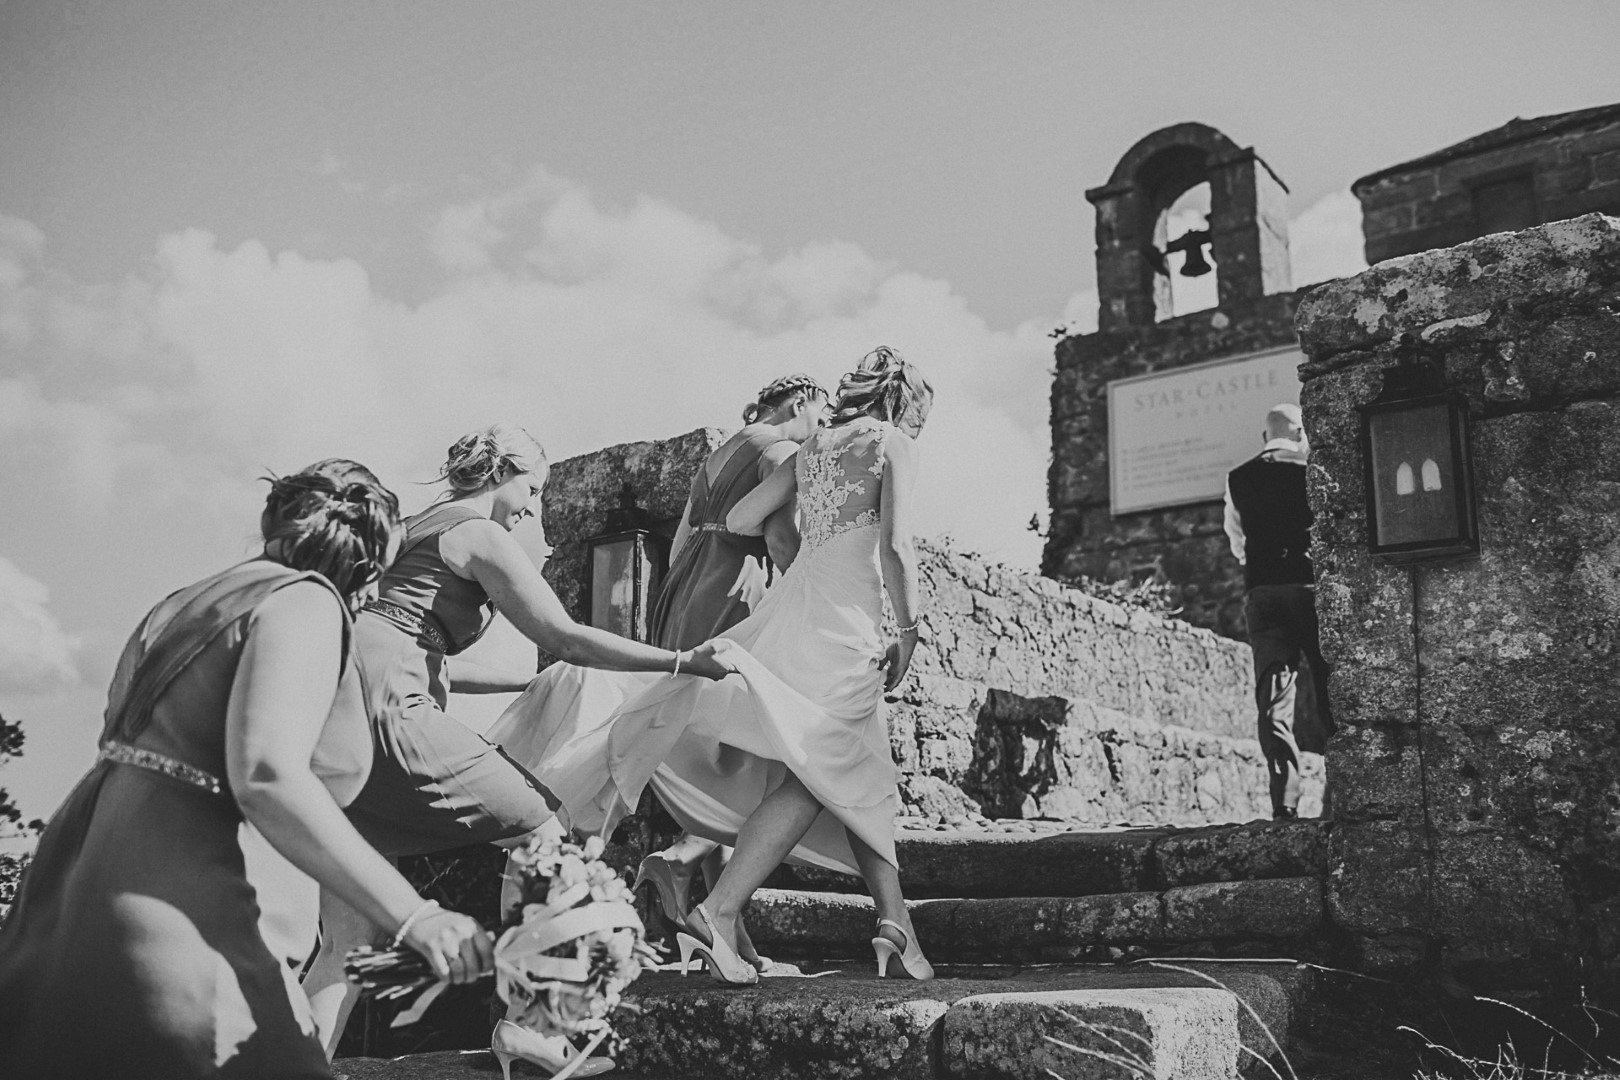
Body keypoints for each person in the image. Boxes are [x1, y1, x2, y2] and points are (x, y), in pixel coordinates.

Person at [0, 460, 494, 1080]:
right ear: (367, 560)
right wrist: (416, 915)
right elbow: (267, 774)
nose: (372, 599)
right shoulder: (304, 600)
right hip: (186, 910)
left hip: (69, 896)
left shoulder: (177, 605)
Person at [300, 424, 737, 1077]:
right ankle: (531, 1025)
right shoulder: (478, 532)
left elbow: (419, 653)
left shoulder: (408, 531)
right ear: (503, 472)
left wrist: (523, 683)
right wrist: (682, 660)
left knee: (346, 944)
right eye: (532, 489)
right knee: (547, 833)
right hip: (392, 713)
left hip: (335, 724)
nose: (532, 507)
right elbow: (564, 636)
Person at [492, 346, 936, 986]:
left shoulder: (811, 449)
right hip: (846, 621)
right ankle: (720, 910)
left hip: (792, 615)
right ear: (901, 403)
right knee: (823, 766)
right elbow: (895, 546)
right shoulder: (893, 443)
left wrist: (816, 535)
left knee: (853, 762)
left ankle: (896, 925)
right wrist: (910, 632)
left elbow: (740, 517)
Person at [635, 373, 830, 972]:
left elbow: (679, 543)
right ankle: (683, 859)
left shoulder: (717, 454)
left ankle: (732, 942)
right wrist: (809, 600)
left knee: (717, 758)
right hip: (732, 597)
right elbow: (781, 541)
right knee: (757, 757)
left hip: (683, 596)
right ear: (800, 401)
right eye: (820, 415)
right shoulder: (783, 450)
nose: (821, 428)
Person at [1223, 402, 1335, 821]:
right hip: (1311, 589)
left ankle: (1284, 802)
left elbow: (1237, 542)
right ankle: (1337, 798)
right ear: (1301, 434)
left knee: (1273, 697)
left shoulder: (1239, 477)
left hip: (1264, 591)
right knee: (1329, 690)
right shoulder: (1312, 470)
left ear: (1265, 438)